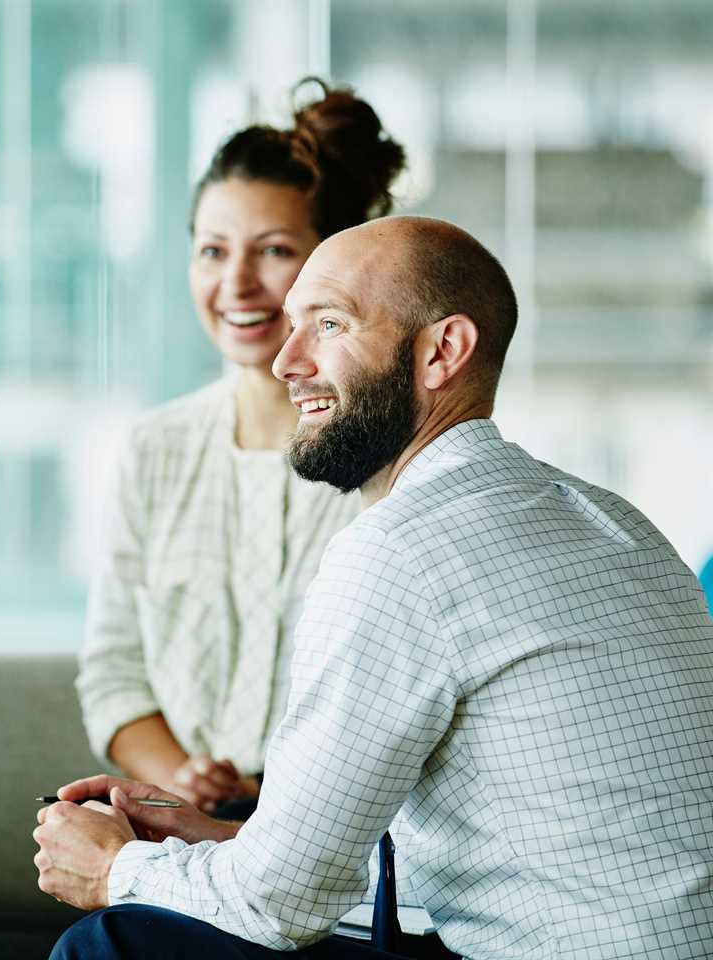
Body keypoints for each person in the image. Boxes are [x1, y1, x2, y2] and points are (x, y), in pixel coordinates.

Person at [35, 216, 713, 959]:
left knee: (116, 941)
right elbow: (528, 853)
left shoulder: (401, 551)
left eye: (328, 324)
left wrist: (115, 868)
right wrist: (229, 840)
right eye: (294, 326)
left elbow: (278, 907)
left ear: (442, 351)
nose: (288, 361)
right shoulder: (614, 520)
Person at [77, 80, 406, 818]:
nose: (236, 284)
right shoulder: (152, 449)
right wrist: (186, 783)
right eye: (212, 251)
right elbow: (112, 676)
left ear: (333, 266)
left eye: (275, 251)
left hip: (337, 828)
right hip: (180, 826)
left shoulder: (386, 458)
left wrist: (269, 798)